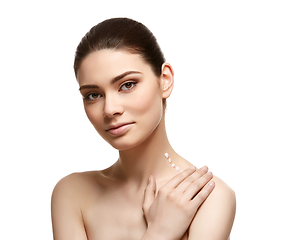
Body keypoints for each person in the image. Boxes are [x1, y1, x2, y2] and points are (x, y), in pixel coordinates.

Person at [51, 18, 236, 240]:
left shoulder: (206, 197)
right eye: (93, 94)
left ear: (164, 80)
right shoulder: (73, 193)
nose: (110, 109)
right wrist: (161, 232)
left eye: (127, 85)